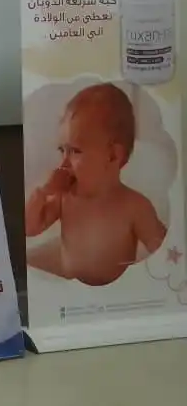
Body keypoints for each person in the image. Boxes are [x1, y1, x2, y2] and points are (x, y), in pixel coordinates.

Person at [24, 82, 166, 286]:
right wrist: (44, 192)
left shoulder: (135, 206)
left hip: (117, 290)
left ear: (113, 155)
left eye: (75, 151)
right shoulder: (64, 197)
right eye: (62, 150)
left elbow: (163, 249)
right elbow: (29, 228)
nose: (63, 163)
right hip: (70, 289)